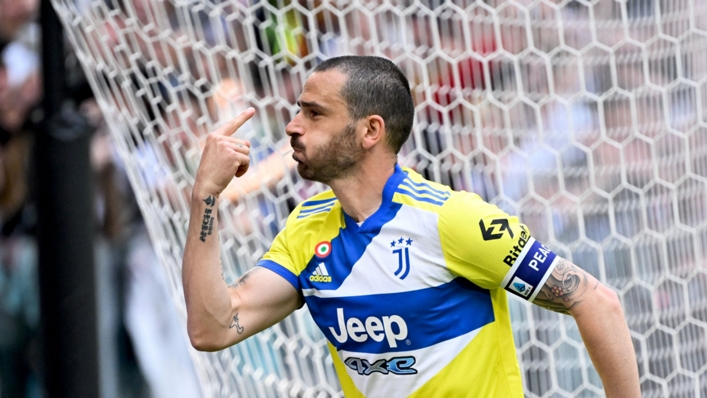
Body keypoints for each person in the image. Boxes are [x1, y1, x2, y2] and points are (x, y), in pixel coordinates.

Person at [182, 55, 640, 397]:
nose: (292, 126)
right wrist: (206, 195)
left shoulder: (451, 219)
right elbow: (212, 329)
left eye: (314, 113)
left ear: (370, 131)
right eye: (298, 110)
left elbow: (595, 301)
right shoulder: (306, 229)